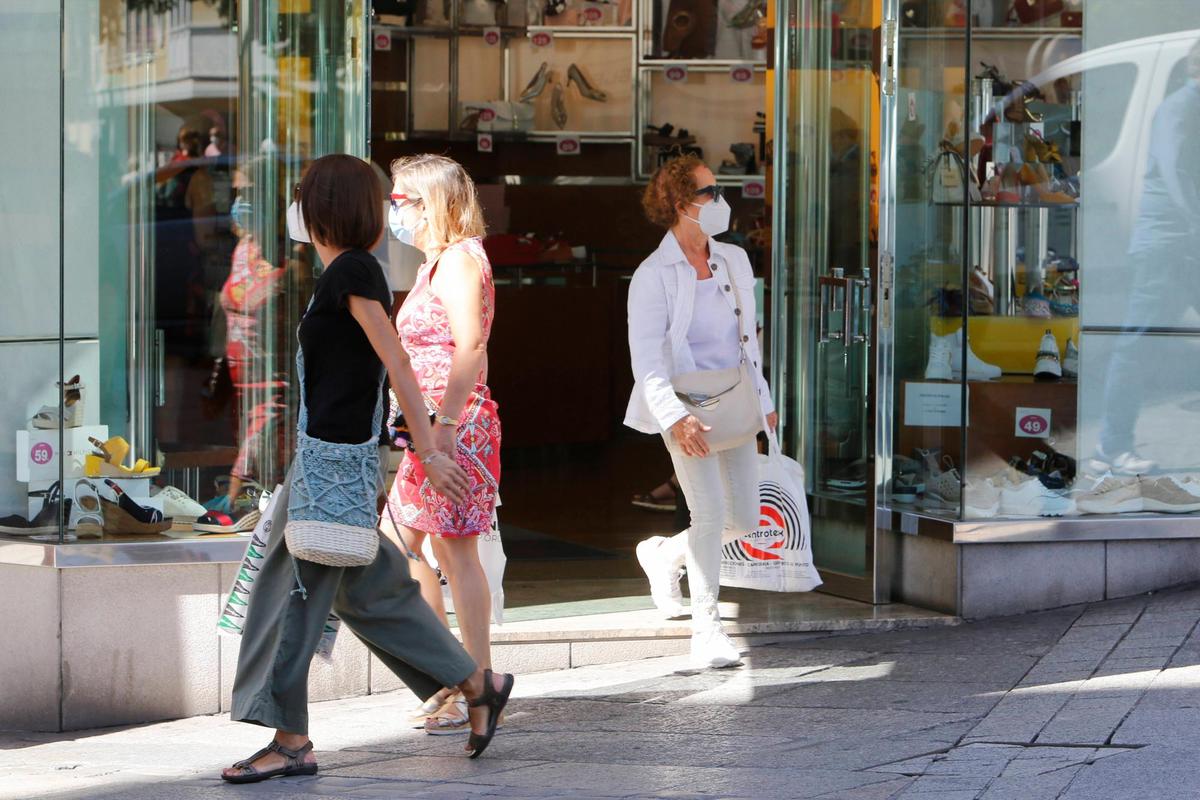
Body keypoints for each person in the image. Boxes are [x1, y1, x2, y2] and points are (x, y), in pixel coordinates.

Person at [221, 154, 513, 784]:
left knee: (293, 596)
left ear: (322, 209)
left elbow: (400, 364)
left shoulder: (351, 272)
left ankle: (291, 739)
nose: (292, 210)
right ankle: (475, 681)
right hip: (336, 460)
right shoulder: (350, 272)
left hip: (333, 467)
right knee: (367, 587)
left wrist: (434, 452)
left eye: (301, 198)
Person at [626, 155, 777, 669]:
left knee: (744, 517)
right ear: (679, 204)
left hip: (734, 401)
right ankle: (707, 628)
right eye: (710, 194)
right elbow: (646, 360)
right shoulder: (652, 275)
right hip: (684, 406)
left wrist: (766, 401)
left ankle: (664, 554)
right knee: (709, 514)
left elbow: (749, 341)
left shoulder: (734, 259)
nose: (721, 202)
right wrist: (673, 417)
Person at [379, 154, 503, 735]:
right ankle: (453, 675)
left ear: (430, 203)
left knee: (453, 552)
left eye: (401, 199)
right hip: (426, 431)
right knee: (400, 549)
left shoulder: (457, 261)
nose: (393, 210)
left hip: (451, 428)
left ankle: (473, 680)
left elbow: (470, 346)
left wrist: (445, 428)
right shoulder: (440, 262)